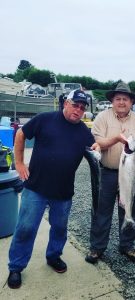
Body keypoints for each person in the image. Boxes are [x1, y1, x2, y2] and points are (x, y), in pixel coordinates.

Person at [7, 89, 100, 289]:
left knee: (59, 229)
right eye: (75, 105)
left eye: (82, 108)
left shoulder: (83, 131)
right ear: (66, 103)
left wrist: (98, 148)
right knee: (26, 228)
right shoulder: (45, 119)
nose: (78, 110)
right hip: (36, 187)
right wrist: (20, 164)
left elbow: (94, 148)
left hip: (63, 192)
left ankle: (53, 256)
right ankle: (15, 267)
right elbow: (21, 134)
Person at [85, 81, 135, 264]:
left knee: (130, 208)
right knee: (101, 211)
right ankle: (97, 247)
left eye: (125, 99)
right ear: (112, 101)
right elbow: (98, 142)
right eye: (118, 99)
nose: (121, 102)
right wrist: (116, 140)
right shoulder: (102, 118)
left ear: (131, 102)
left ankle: (127, 245)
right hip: (106, 173)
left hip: (131, 174)